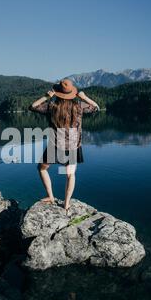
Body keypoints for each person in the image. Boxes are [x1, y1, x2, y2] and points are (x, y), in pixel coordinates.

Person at [29, 78, 100, 212]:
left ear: (58, 93)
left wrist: (46, 96)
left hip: (56, 144)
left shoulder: (52, 107)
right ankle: (66, 204)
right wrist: (84, 97)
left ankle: (51, 197)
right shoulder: (79, 106)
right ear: (72, 93)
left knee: (42, 168)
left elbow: (32, 106)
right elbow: (96, 107)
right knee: (70, 174)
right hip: (73, 144)